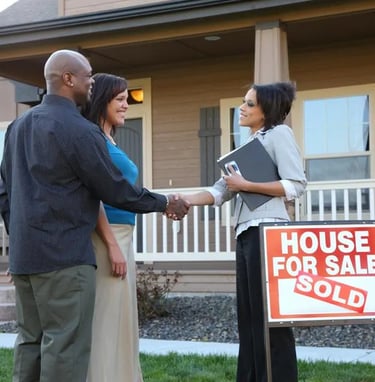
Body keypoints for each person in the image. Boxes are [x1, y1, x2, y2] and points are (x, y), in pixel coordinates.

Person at [0, 49, 189, 382]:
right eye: (87, 75)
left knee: (29, 343)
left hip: (25, 258)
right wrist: (164, 204)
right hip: (66, 259)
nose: (92, 81)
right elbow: (115, 189)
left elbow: (4, 192)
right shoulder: (79, 130)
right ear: (68, 79)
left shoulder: (18, 127)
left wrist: (18, 239)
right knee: (65, 349)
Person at [179, 82, 307, 382]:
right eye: (243, 102)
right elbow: (219, 192)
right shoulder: (246, 146)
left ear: (267, 110)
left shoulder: (279, 134)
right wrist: (182, 200)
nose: (243, 107)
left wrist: (247, 185)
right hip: (248, 235)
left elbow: (295, 184)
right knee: (249, 319)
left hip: (269, 233)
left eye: (250, 104)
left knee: (269, 321)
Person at [81, 73, 144, 382]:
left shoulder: (108, 139)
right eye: (120, 99)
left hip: (124, 237)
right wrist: (111, 245)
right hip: (107, 240)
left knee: (121, 320)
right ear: (101, 100)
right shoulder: (93, 139)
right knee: (106, 320)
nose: (126, 105)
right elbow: (93, 197)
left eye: (127, 99)